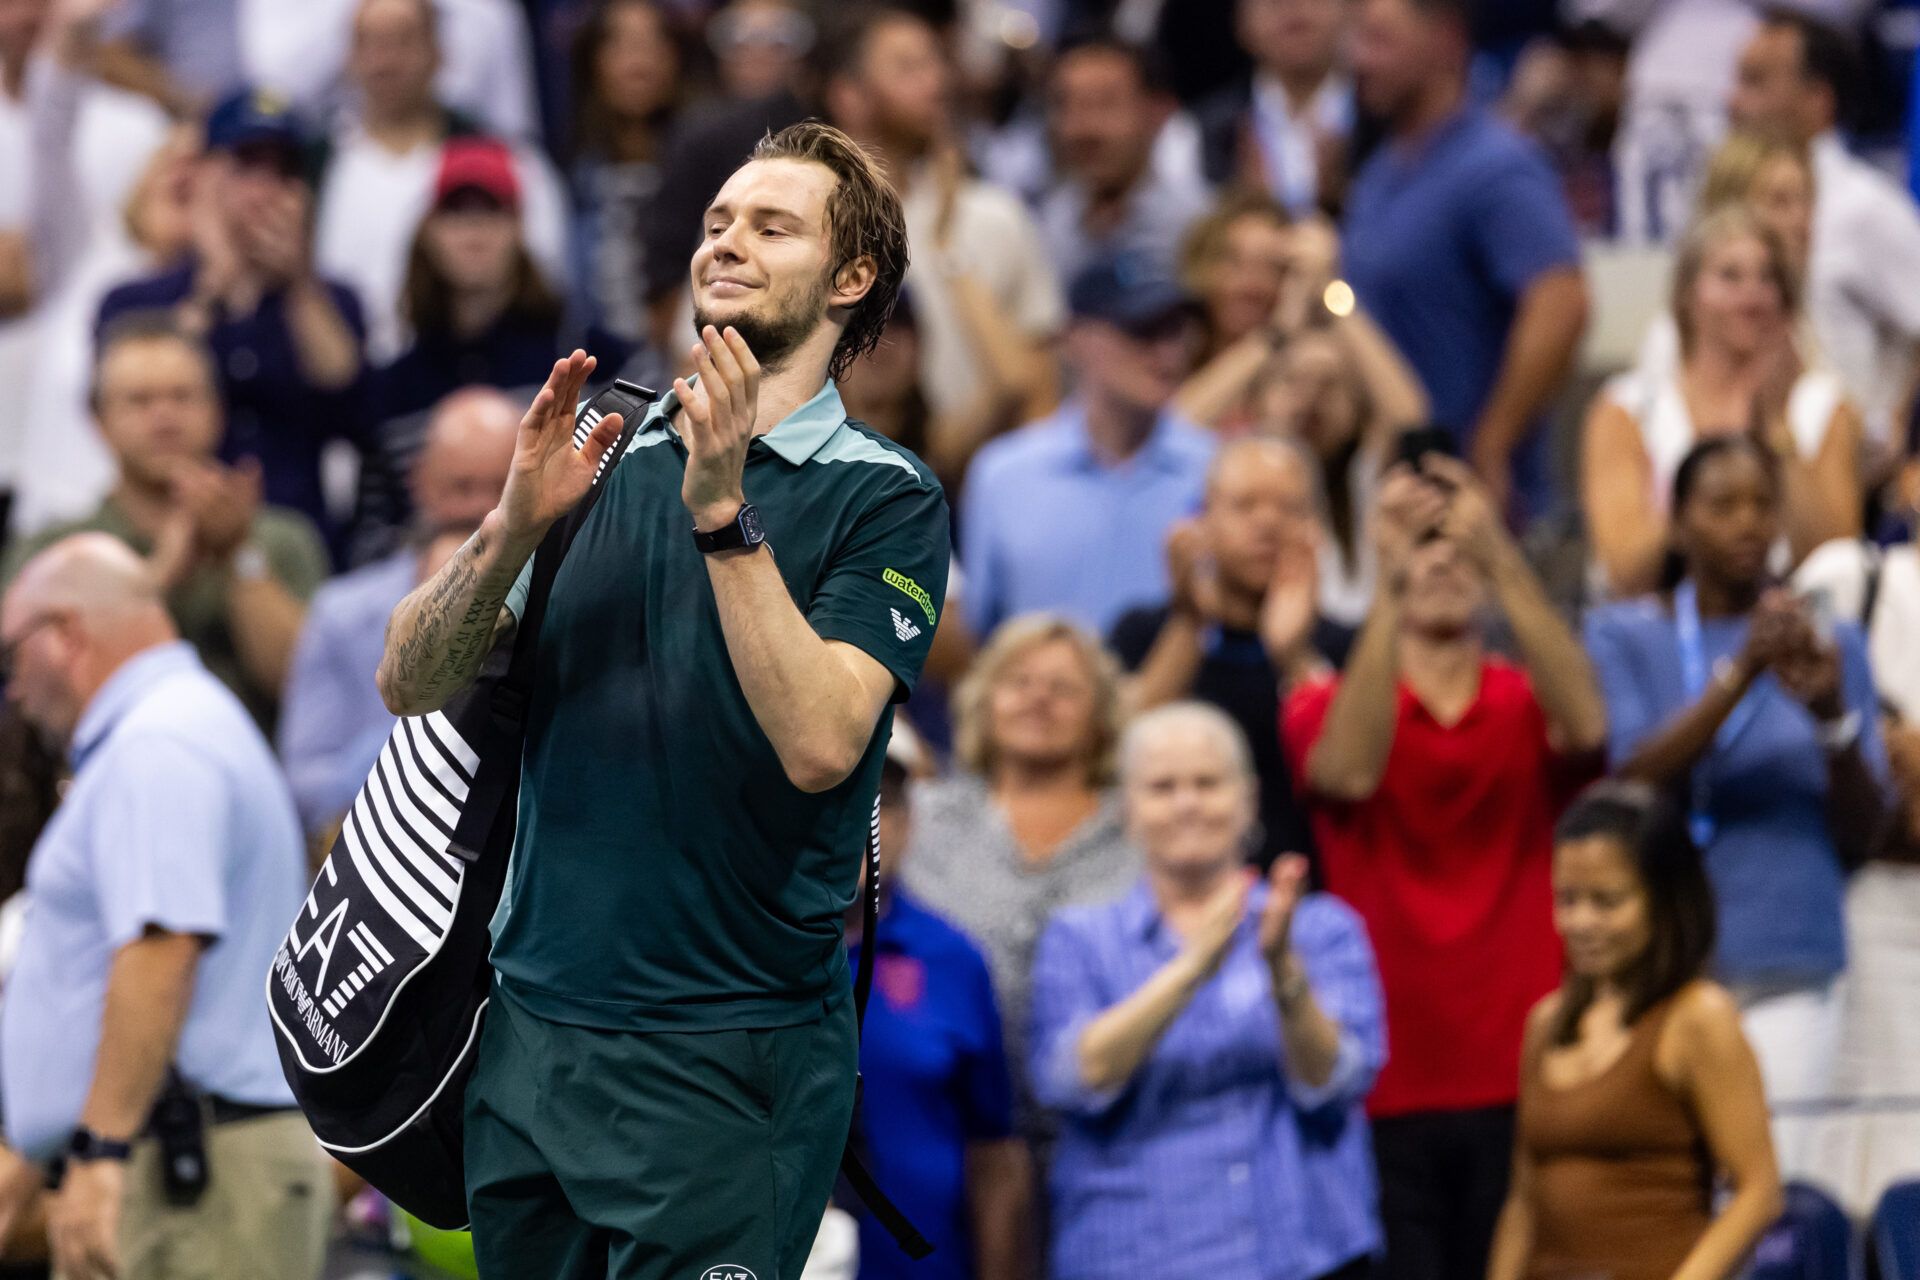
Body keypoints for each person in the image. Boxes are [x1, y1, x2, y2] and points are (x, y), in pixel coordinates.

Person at [374, 120, 951, 1279]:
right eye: (717, 222)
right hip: (531, 1038)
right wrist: (512, 528)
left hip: (726, 1054)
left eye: (772, 227)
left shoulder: (887, 499)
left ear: (851, 280)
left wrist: (724, 513)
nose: (725, 242)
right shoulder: (603, 453)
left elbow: (822, 742)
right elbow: (409, 680)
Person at [1283, 457, 1608, 1280]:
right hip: (1385, 1074)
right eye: (1416, 537)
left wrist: (1500, 554)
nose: (1439, 558)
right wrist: (1390, 585)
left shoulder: (1524, 698)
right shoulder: (1323, 705)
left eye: (1454, 538)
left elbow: (1588, 730)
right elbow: (1348, 774)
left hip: (1523, 1067)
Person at [0, 533, 330, 1280]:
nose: (14, 689)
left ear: (65, 635)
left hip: (192, 1175)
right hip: (173, 1163)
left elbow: (163, 947)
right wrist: (38, 1153)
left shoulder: (161, 740)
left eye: (13, 656)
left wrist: (100, 1149)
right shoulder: (165, 730)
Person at [1583, 435, 1885, 1185]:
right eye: (1723, 505)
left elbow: (1866, 829)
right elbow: (1634, 780)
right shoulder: (1626, 632)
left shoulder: (1833, 642)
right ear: (1678, 522)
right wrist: (1743, 670)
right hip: (1663, 957)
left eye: (1761, 504)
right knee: (1669, 1191)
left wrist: (1831, 716)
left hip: (1789, 957)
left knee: (1766, 1190)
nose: (1748, 522)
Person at [1029, 701, 1385, 1280]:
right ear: (1125, 809)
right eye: (1162, 787)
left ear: (1248, 798)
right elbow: (1072, 1080)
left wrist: (1283, 971)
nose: (1187, 803)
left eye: (1207, 783)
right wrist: (1192, 967)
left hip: (1303, 1254)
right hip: (1134, 1257)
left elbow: (1336, 1083)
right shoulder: (1078, 938)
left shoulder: (1321, 929)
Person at [1487, 781, 1783, 1280]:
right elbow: (1523, 1200)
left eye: (1606, 901)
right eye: (1567, 899)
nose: (1580, 921)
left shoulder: (1697, 1017)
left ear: (1664, 900)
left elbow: (1758, 1192)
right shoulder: (1545, 1022)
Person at [2, 313, 330, 731]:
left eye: (183, 397)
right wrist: (156, 577)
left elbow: (307, 688)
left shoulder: (282, 537)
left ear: (218, 410)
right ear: (98, 420)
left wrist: (239, 551)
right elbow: (34, 686)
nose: (164, 417)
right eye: (139, 401)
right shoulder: (56, 551)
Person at [95, 87, 367, 560]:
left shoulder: (329, 299)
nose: (264, 189)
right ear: (202, 175)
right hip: (169, 542)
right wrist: (212, 285)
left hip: (301, 544)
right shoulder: (135, 300)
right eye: (245, 166)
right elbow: (135, 401)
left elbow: (354, 409)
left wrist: (299, 283)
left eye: (283, 171)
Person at [1342, 0, 1589, 516]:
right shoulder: (1378, 172)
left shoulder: (1495, 165)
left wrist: (1494, 439)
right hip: (1391, 490)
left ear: (1446, 39)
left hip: (1473, 500)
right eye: (1356, 39)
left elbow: (1561, 301)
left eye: (1380, 39)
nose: (1360, 59)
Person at [900, 615, 1140, 1119]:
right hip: (948, 1115)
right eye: (1018, 682)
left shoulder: (1143, 828)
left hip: (1108, 1117)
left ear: (1102, 716)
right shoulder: (920, 817)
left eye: (1063, 688)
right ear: (983, 701)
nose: (1039, 698)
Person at [1583, 207, 1861, 599]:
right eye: (1730, 276)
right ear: (1686, 295)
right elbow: (1625, 570)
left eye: (1768, 278)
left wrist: (1779, 428)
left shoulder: (1823, 406)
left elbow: (1836, 564)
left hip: (1791, 614)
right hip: (1662, 620)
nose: (1752, 294)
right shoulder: (1629, 409)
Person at [278, 386, 518, 838]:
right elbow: (302, 784)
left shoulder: (568, 597)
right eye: (461, 487)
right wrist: (416, 745)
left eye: (502, 487)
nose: (482, 510)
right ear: (420, 481)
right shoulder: (341, 612)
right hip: (384, 846)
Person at [822, 8, 1063, 448]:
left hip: (973, 471)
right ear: (848, 95)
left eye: (937, 63)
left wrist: (947, 246)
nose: (936, 82)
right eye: (909, 68)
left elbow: (1039, 400)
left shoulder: (995, 216)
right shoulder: (795, 219)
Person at [1111, 438, 1353, 871]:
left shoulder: (1346, 646)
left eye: (1290, 508)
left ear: (1317, 529)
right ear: (1200, 521)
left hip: (1310, 882)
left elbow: (1345, 777)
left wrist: (1294, 656)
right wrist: (1190, 623)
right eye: (1245, 505)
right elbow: (1117, 758)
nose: (1268, 524)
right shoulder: (1143, 633)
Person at [846, 726, 1033, 1280]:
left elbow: (994, 1156)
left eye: (882, 802)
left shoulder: (953, 959)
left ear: (908, 823)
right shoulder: (735, 953)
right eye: (836, 794)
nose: (860, 821)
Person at [960, 255, 1214, 639]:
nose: (1167, 353)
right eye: (1141, 330)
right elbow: (978, 635)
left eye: (1175, 331)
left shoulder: (1216, 469)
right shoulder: (1003, 474)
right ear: (1074, 340)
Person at [313, 0, 569, 362]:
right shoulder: (313, 166)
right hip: (353, 376)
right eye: (369, 43)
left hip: (477, 371)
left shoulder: (509, 163)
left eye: (402, 41)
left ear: (438, 52)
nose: (385, 61)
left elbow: (546, 288)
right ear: (348, 57)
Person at [1728, 8, 1920, 446]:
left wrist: (1902, 446)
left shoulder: (1864, 208)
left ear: (1817, 99)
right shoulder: (1724, 198)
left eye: (1755, 81)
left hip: (1853, 464)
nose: (1733, 101)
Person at [1038, 35, 1213, 284]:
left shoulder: (1199, 226)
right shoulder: (1046, 225)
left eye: (1105, 104)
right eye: (1067, 105)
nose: (1083, 128)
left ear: (1158, 112)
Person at [564, 0, 686, 345]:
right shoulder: (569, 169)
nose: (638, 61)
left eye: (651, 42)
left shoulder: (705, 162)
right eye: (620, 43)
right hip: (591, 359)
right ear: (593, 60)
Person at [1194, 0, 1358, 215]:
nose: (1295, 9)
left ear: (1350, 11)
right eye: (1274, 2)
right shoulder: (1204, 132)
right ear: (1242, 21)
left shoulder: (1384, 119)